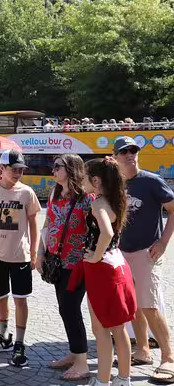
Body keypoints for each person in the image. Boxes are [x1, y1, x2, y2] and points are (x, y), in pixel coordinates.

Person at [114, 136, 174, 382]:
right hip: (123, 252)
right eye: (124, 151)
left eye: (133, 150)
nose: (130, 154)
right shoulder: (116, 184)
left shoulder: (151, 181)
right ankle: (142, 350)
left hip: (147, 252)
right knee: (134, 305)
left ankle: (169, 358)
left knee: (148, 304)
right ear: (116, 156)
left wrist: (163, 242)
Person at [73, 157, 137, 386]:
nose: (81, 181)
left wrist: (96, 254)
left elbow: (107, 233)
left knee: (101, 330)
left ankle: (102, 381)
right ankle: (123, 379)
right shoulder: (115, 200)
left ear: (96, 180)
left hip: (102, 269)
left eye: (84, 177)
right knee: (119, 329)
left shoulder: (98, 203)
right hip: (117, 264)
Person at [0, 150, 40, 367]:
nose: (18, 173)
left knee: (20, 299)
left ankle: (20, 342)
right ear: (2, 169)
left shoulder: (27, 193)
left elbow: (33, 223)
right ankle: (4, 336)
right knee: (1, 296)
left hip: (20, 256)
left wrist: (34, 252)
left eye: (21, 169)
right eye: (14, 169)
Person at [35, 154, 91, 380]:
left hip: (77, 263)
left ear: (71, 169)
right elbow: (48, 224)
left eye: (57, 167)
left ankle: (82, 362)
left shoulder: (86, 197)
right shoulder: (55, 193)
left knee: (70, 308)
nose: (53, 171)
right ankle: (74, 353)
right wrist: (40, 252)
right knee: (64, 308)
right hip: (57, 260)